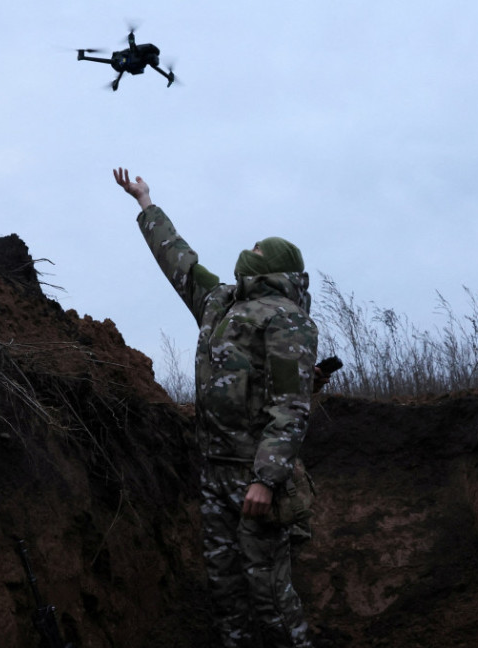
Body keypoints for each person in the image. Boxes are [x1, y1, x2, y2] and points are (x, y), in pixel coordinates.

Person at [114, 168, 317, 648]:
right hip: (214, 474)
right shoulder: (220, 303)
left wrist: (266, 480)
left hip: (254, 479)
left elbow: (290, 407)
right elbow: (179, 262)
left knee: (269, 591)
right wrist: (146, 203)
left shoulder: (287, 320)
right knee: (225, 589)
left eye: (259, 249)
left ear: (275, 267)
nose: (249, 250)